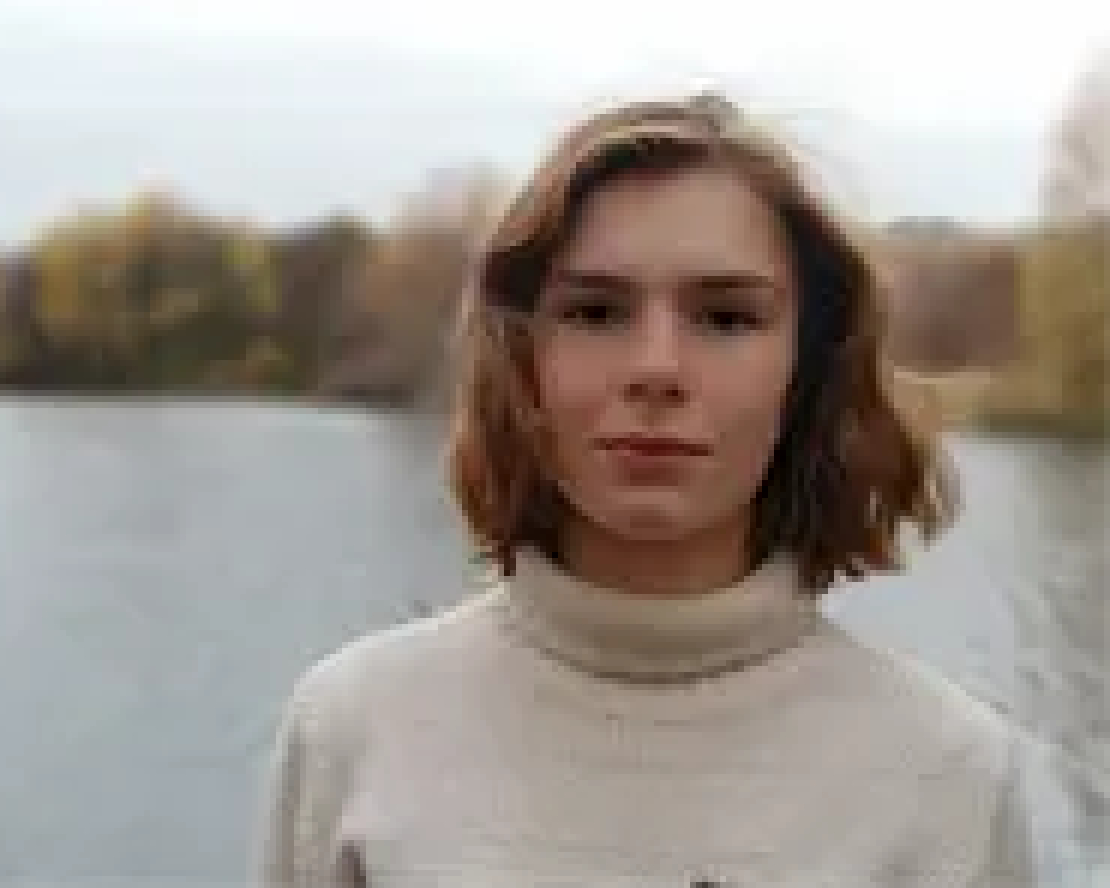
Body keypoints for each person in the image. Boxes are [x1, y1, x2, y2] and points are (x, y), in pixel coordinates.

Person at [253, 93, 1040, 886]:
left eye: (726, 319)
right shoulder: (356, 728)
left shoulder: (950, 779)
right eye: (596, 312)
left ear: (805, 368)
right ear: (524, 357)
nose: (656, 369)